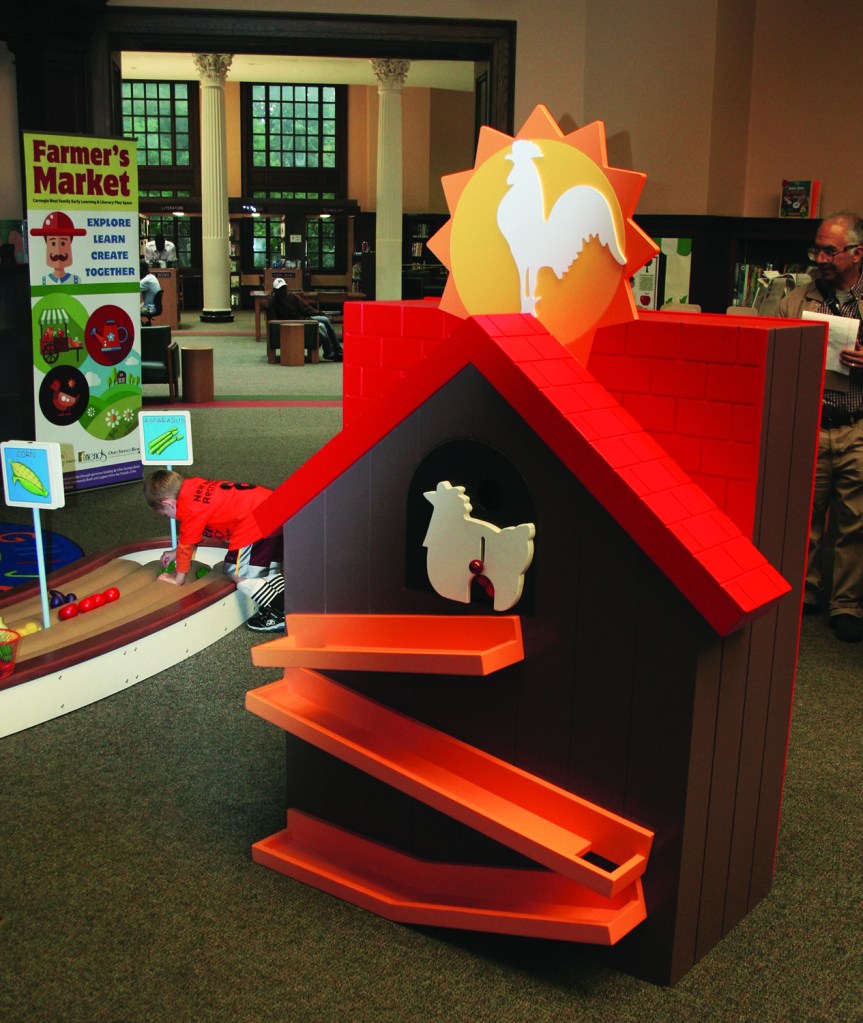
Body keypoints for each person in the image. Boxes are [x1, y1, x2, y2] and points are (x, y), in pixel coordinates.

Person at [779, 210, 863, 642]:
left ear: (857, 253)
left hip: (856, 429)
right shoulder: (797, 300)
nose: (821, 259)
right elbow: (772, 355)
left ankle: (846, 604)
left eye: (830, 251)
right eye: (817, 250)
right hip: (811, 424)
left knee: (855, 523)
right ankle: (804, 593)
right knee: (803, 516)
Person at [144, 469, 286, 633]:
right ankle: (291, 601)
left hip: (255, 520)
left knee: (239, 575)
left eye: (166, 514)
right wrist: (175, 552)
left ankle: (283, 610)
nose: (170, 517)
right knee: (267, 570)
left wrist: (178, 579)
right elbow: (196, 532)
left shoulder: (189, 508)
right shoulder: (192, 487)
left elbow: (186, 546)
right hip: (274, 507)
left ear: (169, 503)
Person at [267, 277, 343, 361]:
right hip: (296, 323)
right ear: (275, 290)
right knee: (321, 326)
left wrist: (322, 313)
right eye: (280, 289)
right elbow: (272, 321)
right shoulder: (272, 303)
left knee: (325, 319)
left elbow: (307, 308)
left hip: (303, 318)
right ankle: (329, 353)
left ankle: (338, 349)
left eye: (284, 287)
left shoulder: (292, 296)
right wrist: (270, 302)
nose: (283, 290)